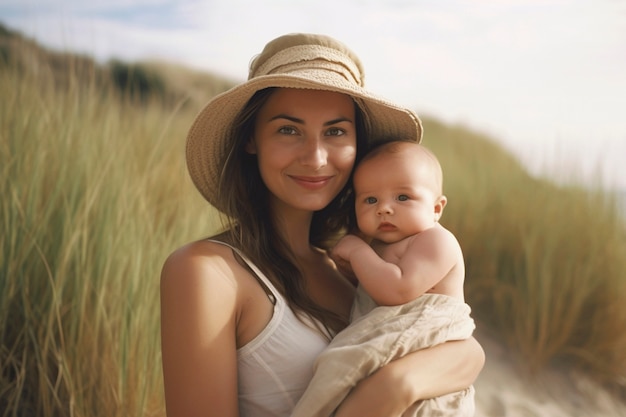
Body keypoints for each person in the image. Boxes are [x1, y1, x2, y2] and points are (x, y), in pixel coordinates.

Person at [160, 32, 484, 417]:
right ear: (251, 140)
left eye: (335, 132)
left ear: (357, 146)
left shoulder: (348, 270)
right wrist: (386, 393)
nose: (315, 158)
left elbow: (464, 347)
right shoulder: (207, 273)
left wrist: (403, 382)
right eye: (288, 129)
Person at [291, 140, 475, 417]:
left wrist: (357, 251)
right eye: (370, 200)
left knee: (342, 363)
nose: (384, 208)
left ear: (437, 208)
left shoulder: (436, 240)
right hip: (394, 367)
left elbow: (399, 290)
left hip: (427, 359)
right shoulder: (377, 247)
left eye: (402, 197)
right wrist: (352, 270)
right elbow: (371, 296)